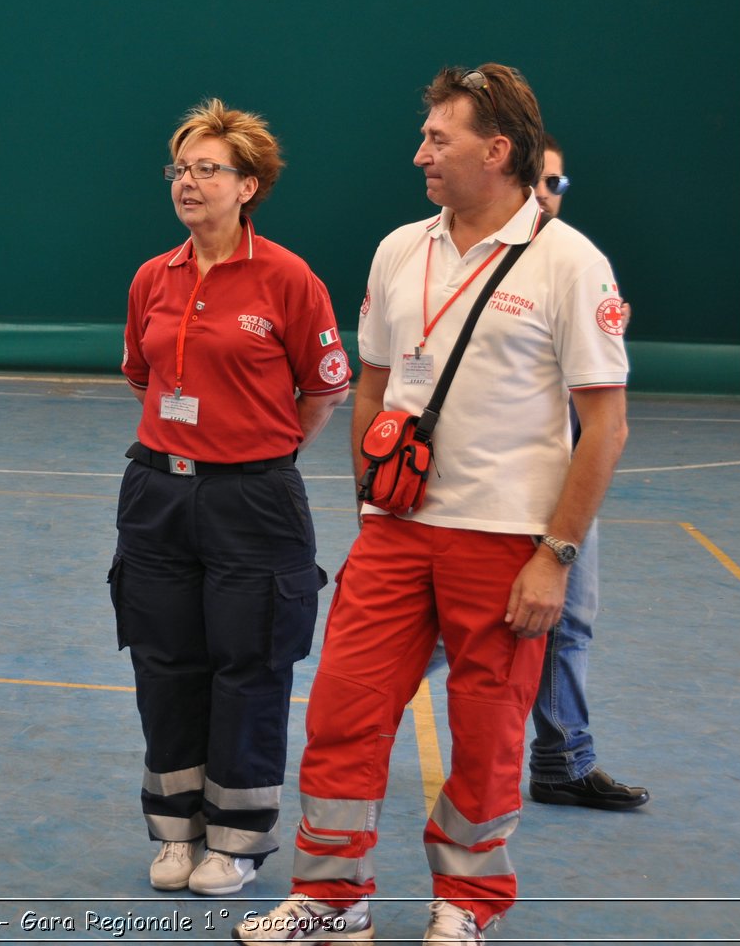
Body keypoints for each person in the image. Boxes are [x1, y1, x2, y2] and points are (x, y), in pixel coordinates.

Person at [238, 65, 629, 944]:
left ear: (497, 151)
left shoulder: (570, 262)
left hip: (506, 546)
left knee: (488, 735)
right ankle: (332, 900)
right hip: (396, 537)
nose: (420, 153)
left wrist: (555, 554)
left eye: (437, 139)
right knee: (343, 709)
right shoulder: (397, 248)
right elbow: (371, 386)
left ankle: (466, 904)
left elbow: (605, 426)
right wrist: (375, 499)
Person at [113, 99, 351, 897]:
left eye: (207, 168)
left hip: (254, 501)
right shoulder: (154, 276)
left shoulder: (288, 278)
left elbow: (322, 390)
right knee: (164, 660)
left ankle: (238, 840)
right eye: (180, 168)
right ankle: (176, 829)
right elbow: (145, 377)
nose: (188, 181)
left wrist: (257, 453)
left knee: (250, 666)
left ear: (249, 185)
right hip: (157, 492)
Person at [526, 135, 648, 811]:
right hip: (501, 485)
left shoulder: (578, 264)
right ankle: (342, 729)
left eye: (557, 184)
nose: (548, 193)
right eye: (540, 180)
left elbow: (599, 406)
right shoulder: (466, 265)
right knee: (444, 632)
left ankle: (563, 761)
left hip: (571, 478)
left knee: (569, 622)